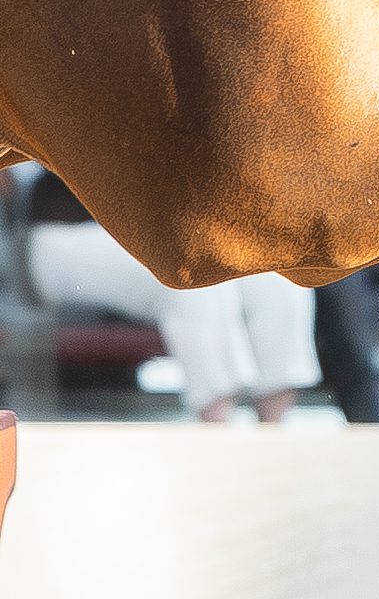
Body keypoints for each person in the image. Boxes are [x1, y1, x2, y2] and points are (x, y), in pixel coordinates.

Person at [25, 170, 321, 422]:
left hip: (165, 231)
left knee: (278, 279)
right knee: (193, 276)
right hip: (67, 230)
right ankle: (218, 427)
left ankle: (275, 430)